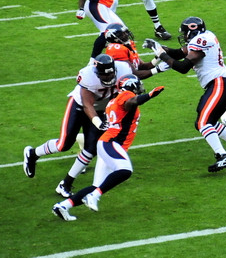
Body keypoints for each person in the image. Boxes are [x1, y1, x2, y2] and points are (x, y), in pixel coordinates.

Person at [144, 17, 226, 172]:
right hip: (221, 84)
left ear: (192, 30)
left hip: (219, 84)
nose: (183, 36)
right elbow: (177, 53)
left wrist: (162, 55)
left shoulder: (201, 40)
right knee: (207, 121)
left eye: (185, 32)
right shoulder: (204, 37)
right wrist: (158, 47)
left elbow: (183, 67)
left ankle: (223, 156)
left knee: (203, 122)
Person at [52, 74, 165, 221]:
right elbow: (131, 102)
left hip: (107, 143)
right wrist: (149, 96)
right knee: (125, 170)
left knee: (97, 186)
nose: (140, 88)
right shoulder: (126, 95)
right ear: (130, 85)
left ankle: (63, 206)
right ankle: (93, 196)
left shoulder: (113, 101)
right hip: (112, 143)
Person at [23, 54, 132, 198]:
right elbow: (87, 105)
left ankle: (66, 183)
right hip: (79, 106)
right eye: (104, 75)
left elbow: (137, 76)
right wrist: (99, 123)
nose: (108, 77)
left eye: (111, 74)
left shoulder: (124, 69)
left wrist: (158, 66)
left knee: (92, 148)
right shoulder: (88, 76)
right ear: (97, 73)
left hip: (100, 109)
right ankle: (33, 154)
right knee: (64, 144)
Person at [103, 22, 170, 79]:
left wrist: (158, 57)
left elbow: (141, 67)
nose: (126, 35)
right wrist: (157, 69)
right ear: (114, 39)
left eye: (125, 32)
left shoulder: (127, 45)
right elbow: (134, 74)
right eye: (122, 34)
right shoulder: (116, 49)